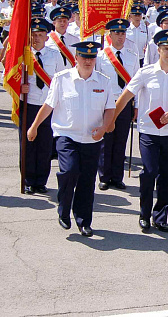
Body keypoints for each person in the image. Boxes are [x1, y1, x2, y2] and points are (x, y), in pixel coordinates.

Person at [27, 41, 115, 237]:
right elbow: (49, 106)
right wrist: (34, 126)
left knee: (87, 180)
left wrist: (104, 128)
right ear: (76, 58)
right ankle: (64, 208)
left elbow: (110, 109)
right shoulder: (62, 78)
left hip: (92, 138)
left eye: (92, 57)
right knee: (69, 171)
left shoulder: (104, 81)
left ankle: (84, 221)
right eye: (84, 56)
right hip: (67, 135)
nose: (88, 61)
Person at [110, 29, 168, 232]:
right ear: (158, 50)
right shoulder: (145, 72)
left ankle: (161, 216)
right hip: (148, 131)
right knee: (149, 172)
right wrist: (111, 120)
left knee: (166, 176)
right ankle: (144, 214)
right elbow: (126, 96)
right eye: (165, 49)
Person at [95, 19, 140, 191]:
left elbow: (136, 83)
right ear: (110, 35)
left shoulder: (132, 55)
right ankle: (104, 177)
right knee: (106, 141)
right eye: (117, 33)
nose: (120, 36)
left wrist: (136, 105)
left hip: (126, 103)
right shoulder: (101, 56)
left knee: (121, 140)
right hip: (107, 103)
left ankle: (117, 176)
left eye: (123, 33)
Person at [19, 18, 63, 194]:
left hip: (48, 106)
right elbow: (9, 77)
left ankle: (40, 181)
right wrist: (19, 88)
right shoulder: (22, 55)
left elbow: (61, 79)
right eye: (34, 35)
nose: (37, 38)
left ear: (47, 37)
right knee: (28, 144)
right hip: (28, 104)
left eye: (40, 35)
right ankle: (28, 179)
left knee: (45, 144)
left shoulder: (54, 55)